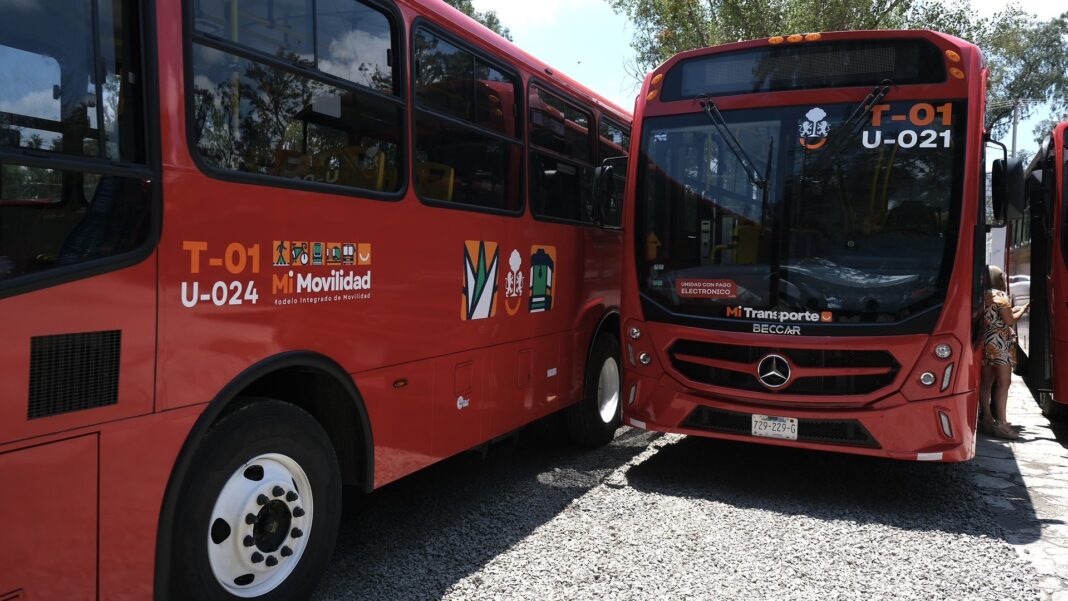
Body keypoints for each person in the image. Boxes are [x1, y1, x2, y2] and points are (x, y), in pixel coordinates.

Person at [979, 265, 1030, 440]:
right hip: (999, 344)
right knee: (1003, 383)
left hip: (985, 342)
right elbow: (1009, 320)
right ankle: (1002, 424)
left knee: (986, 382)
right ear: (999, 278)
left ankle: (986, 419)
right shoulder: (1000, 296)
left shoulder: (983, 295)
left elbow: (995, 316)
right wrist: (1023, 309)